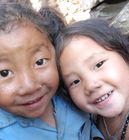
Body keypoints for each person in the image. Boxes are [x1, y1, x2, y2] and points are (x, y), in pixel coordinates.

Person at [0, 3, 104, 140]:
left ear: (55, 51)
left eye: (39, 62)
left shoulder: (70, 93)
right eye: (4, 73)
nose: (29, 86)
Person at [56, 19, 129, 140]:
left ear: (128, 58)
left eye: (99, 64)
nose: (90, 85)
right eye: (75, 81)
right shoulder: (89, 120)